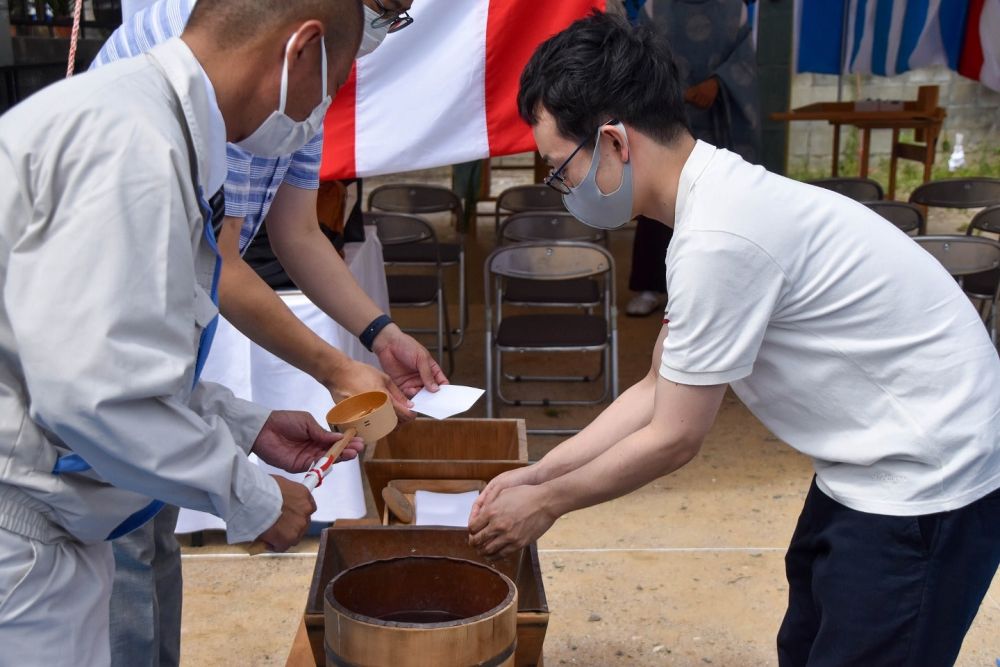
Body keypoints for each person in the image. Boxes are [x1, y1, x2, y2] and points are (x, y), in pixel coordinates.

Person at [468, 13, 1000, 666]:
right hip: (873, 456)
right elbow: (658, 385)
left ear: (613, 140)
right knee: (805, 640)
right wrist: (539, 471)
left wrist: (545, 503)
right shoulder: (713, 193)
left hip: (931, 475)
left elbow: (675, 435)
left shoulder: (719, 235)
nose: (562, 189)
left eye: (560, 168)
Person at [0, 0, 366, 663]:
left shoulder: (152, 125)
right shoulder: (134, 149)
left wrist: (244, 424)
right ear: (300, 51)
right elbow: (91, 392)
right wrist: (245, 491)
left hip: (45, 532)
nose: (316, 116)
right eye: (329, 90)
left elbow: (111, 349)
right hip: (18, 542)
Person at [90, 2, 434, 665]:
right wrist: (247, 485)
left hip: (147, 328)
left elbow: (293, 231)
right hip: (62, 447)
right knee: (122, 543)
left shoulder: (291, 75)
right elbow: (105, 392)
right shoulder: (176, 90)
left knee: (148, 529)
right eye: (388, 11)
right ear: (301, 41)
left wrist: (374, 330)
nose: (387, 30)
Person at [626, 0, 762, 317]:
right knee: (659, 201)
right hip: (666, 119)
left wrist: (716, 83)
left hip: (718, 119)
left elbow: (744, 60)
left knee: (719, 204)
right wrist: (675, 89)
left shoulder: (734, 8)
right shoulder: (655, 8)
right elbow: (640, 60)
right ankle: (650, 287)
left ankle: (722, 290)